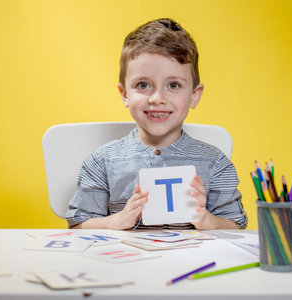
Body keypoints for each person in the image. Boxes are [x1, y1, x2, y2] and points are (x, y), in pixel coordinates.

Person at [66, 18, 247, 230]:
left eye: (173, 85)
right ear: (125, 94)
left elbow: (236, 226)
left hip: (192, 262)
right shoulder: (101, 162)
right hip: (123, 262)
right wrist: (117, 221)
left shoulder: (216, 164)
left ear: (194, 96)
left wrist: (205, 219)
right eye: (143, 85)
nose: (157, 98)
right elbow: (78, 226)